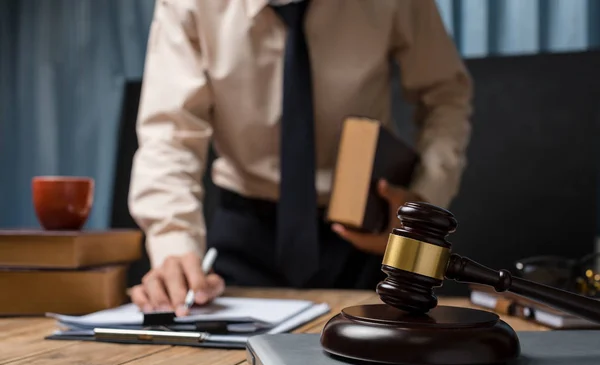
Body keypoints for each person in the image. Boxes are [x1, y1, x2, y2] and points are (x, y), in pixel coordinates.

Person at [127, 0, 473, 315]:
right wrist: (174, 244)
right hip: (243, 234)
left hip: (366, 232)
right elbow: (170, 135)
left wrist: (422, 203)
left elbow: (444, 95)